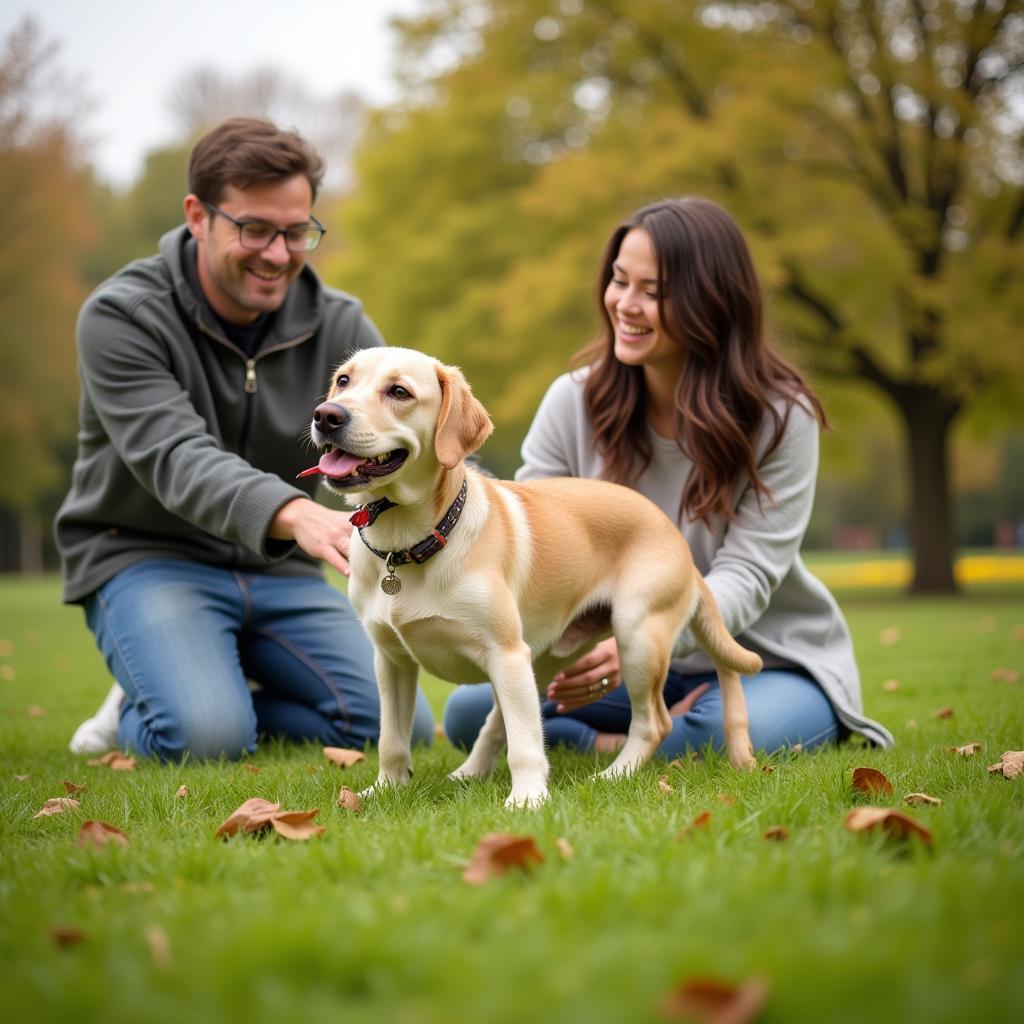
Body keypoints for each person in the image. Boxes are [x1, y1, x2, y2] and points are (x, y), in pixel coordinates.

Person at [443, 197, 893, 757]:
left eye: (653, 292)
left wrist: (646, 633)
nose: (625, 305)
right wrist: (591, 646)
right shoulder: (572, 401)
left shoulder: (780, 416)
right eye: (619, 281)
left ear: (713, 300)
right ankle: (634, 734)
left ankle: (644, 733)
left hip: (762, 656)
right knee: (466, 713)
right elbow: (538, 549)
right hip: (606, 645)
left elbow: (750, 571)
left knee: (726, 735)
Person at [58, 117, 433, 760]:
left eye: (297, 232)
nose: (279, 254)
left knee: (400, 728)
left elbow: (398, 431)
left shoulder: (340, 321)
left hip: (279, 570)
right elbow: (174, 455)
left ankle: (197, 683)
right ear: (197, 216)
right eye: (255, 229)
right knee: (205, 738)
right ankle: (156, 699)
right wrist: (296, 514)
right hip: (147, 557)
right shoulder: (123, 316)